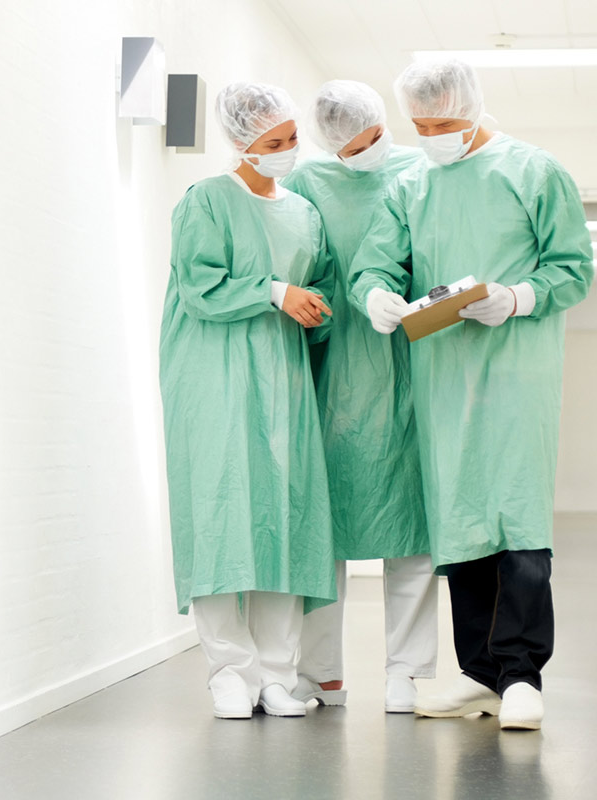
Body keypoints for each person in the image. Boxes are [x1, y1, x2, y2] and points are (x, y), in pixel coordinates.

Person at [348, 59, 594, 731]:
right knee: (460, 519)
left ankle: (520, 674)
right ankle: (479, 676)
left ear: (476, 109)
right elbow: (376, 259)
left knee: (514, 516)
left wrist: (518, 298)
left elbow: (572, 268)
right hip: (443, 374)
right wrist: (375, 294)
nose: (433, 136)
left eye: (445, 123)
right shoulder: (412, 184)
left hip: (517, 372)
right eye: (422, 125)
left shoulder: (534, 172)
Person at [159, 82, 338, 719]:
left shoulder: (302, 212)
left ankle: (275, 676)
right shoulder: (206, 201)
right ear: (241, 143)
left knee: (284, 522)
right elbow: (200, 289)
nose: (287, 151)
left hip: (282, 379)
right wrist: (272, 292)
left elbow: (313, 283)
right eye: (273, 143)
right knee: (221, 519)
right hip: (214, 377)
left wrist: (312, 306)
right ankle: (228, 673)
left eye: (292, 139)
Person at [280, 80, 437, 715]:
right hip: (331, 368)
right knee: (325, 529)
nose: (369, 150)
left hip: (412, 361)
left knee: (414, 529)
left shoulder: (423, 170)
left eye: (375, 136)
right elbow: (295, 263)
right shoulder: (305, 184)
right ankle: (322, 675)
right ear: (327, 144)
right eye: (352, 145)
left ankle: (407, 672)